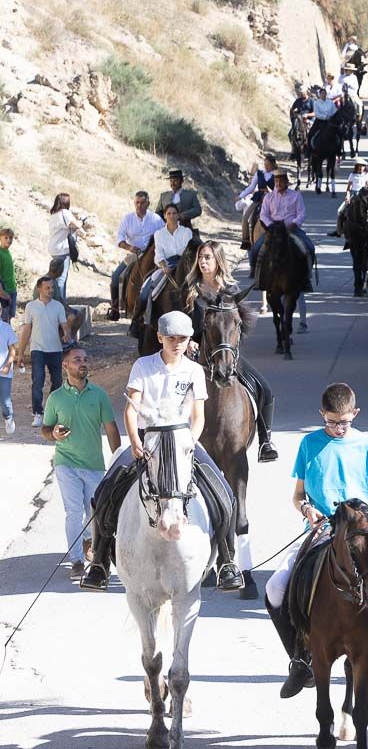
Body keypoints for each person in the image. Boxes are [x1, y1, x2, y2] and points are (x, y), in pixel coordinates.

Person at [80, 311, 245, 593]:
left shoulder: (194, 370)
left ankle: (227, 562)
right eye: (171, 338)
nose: (177, 343)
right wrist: (134, 442)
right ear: (160, 338)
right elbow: (131, 410)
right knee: (104, 492)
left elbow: (199, 416)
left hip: (183, 440)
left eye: (182, 338)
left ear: (189, 339)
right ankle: (99, 564)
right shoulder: (144, 366)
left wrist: (190, 442)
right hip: (148, 438)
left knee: (225, 494)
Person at [264, 382, 368, 698]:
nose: (338, 427)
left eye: (344, 421)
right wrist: (306, 510)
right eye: (331, 421)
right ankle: (300, 658)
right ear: (322, 415)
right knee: (275, 589)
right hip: (323, 530)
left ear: (354, 414)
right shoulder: (309, 444)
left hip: (363, 532)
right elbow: (297, 495)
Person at [184, 241, 278, 462]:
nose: (203, 261)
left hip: (225, 354)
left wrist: (229, 348)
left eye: (208, 257)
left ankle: (265, 441)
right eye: (201, 257)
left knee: (265, 388)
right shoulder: (189, 291)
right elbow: (180, 323)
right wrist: (188, 340)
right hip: (194, 355)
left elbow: (240, 326)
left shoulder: (231, 291)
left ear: (218, 261)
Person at [40, 345, 121, 579]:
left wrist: (117, 460)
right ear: (65, 365)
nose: (83, 363)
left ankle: (88, 539)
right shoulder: (56, 398)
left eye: (85, 359)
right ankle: (76, 560)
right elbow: (45, 429)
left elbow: (111, 428)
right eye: (77, 360)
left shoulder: (99, 395)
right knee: (73, 511)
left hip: (94, 465)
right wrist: (53, 433)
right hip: (66, 463)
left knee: (94, 514)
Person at [248, 171, 315, 293]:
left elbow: (301, 213)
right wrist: (271, 227)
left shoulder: (296, 196)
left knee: (309, 248)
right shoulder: (269, 197)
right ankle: (257, 277)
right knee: (256, 249)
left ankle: (306, 279)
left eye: (281, 181)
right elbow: (263, 215)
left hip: (292, 229)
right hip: (273, 231)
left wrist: (293, 224)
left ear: (287, 182)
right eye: (276, 181)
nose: (278, 184)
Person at [16, 276, 69, 427]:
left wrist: (66, 333)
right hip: (37, 349)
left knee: (57, 382)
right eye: (47, 288)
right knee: (37, 381)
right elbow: (27, 330)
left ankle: (54, 411)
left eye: (52, 287)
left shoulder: (58, 306)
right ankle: (38, 413)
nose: (51, 290)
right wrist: (21, 352)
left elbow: (64, 324)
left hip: (55, 349)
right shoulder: (31, 307)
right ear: (39, 289)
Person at [131, 203, 192, 333]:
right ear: (164, 216)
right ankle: (136, 321)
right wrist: (163, 265)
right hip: (166, 265)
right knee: (145, 291)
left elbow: (189, 251)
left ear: (178, 215)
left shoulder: (187, 232)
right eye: (169, 214)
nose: (171, 216)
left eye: (174, 213)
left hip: (184, 266)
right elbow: (158, 253)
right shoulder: (159, 234)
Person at [110, 191, 165, 320]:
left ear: (148, 203)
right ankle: (115, 308)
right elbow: (119, 239)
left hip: (154, 256)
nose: (139, 206)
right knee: (116, 277)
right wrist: (129, 247)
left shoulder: (156, 219)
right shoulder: (127, 218)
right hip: (135, 255)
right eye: (137, 203)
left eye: (142, 203)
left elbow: (164, 235)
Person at [48, 193, 85, 302]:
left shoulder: (54, 214)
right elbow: (77, 225)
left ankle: (53, 300)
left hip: (53, 249)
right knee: (61, 279)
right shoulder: (65, 213)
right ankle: (61, 303)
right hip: (62, 251)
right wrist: (82, 221)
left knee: (54, 276)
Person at [235, 155, 277, 249]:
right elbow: (251, 187)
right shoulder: (259, 173)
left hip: (272, 199)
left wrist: (271, 193)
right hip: (258, 198)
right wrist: (240, 196)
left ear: (273, 165)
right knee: (245, 218)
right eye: (265, 164)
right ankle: (246, 240)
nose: (266, 166)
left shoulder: (276, 175)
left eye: (268, 164)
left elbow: (280, 189)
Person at [330, 158, 368, 239]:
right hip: (354, 194)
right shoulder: (352, 175)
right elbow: (349, 188)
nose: (361, 168)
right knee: (340, 211)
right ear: (356, 166)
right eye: (359, 166)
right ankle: (339, 231)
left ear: (365, 167)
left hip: (364, 195)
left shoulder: (367, 175)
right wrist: (347, 196)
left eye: (362, 166)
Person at [0, 313, 18, 434]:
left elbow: (12, 351)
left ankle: (8, 417)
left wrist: (8, 365)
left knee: (5, 401)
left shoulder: (6, 328)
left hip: (4, 371)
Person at [0, 227, 17, 323]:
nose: (8, 240)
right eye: (5, 237)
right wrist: (3, 293)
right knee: (4, 321)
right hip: (5, 292)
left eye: (10, 238)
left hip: (12, 289)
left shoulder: (7, 252)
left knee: (9, 318)